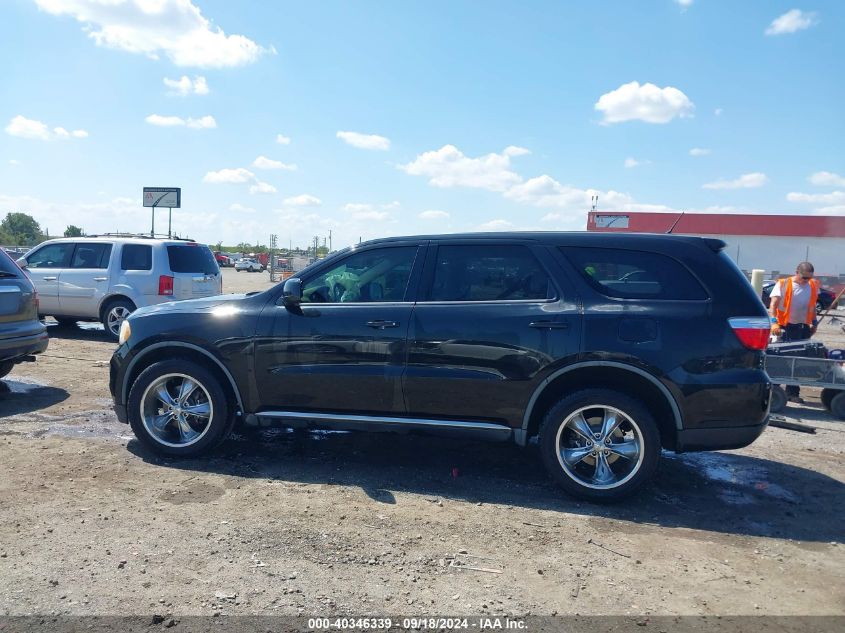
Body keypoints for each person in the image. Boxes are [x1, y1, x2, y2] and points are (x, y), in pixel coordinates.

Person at [769, 261, 820, 403]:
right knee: (781, 360)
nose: (806, 280)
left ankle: (792, 393)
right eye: (804, 277)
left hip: (802, 327)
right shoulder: (783, 284)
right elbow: (773, 305)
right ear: (796, 272)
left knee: (798, 361)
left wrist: (814, 323)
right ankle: (773, 390)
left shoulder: (812, 285)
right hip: (783, 327)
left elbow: (812, 306)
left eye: (809, 278)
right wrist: (774, 323)